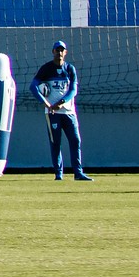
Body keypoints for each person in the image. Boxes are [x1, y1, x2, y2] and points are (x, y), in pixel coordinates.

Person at [33, 40, 91, 181]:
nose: (59, 53)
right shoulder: (46, 68)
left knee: (75, 140)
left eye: (62, 50)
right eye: (57, 50)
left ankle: (78, 173)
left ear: (65, 52)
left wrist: (62, 102)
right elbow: (33, 86)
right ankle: (59, 174)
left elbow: (73, 90)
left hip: (68, 112)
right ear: (53, 52)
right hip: (53, 113)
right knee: (56, 143)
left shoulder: (70, 69)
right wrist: (46, 102)